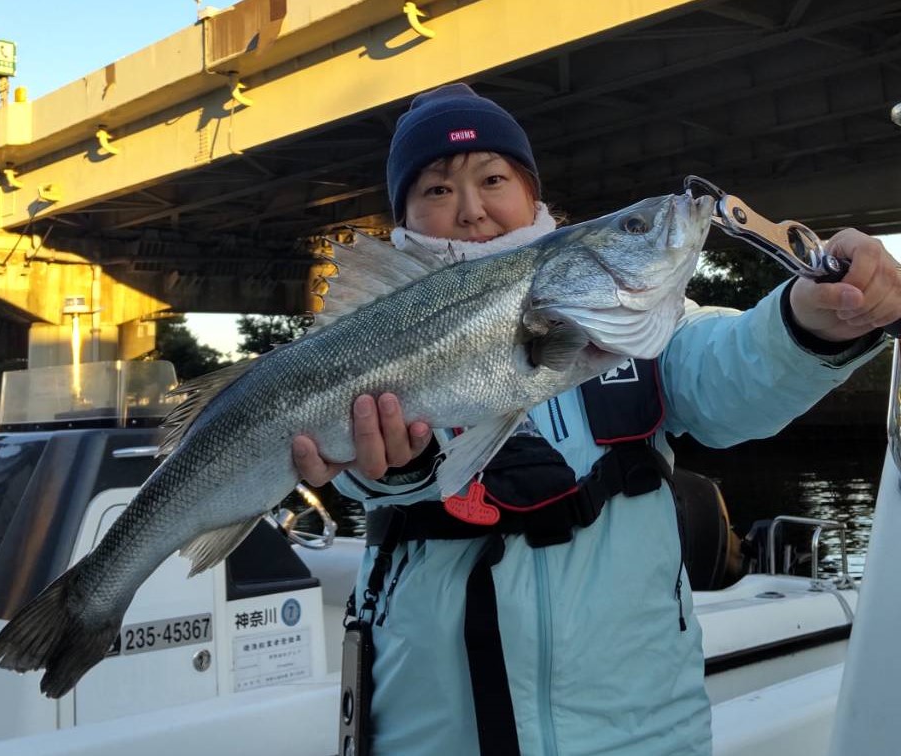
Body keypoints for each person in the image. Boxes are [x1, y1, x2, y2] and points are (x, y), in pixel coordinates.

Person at [292, 84, 901, 755]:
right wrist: (394, 469)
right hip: (433, 735)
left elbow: (732, 371)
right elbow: (351, 477)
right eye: (436, 191)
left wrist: (811, 319)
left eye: (493, 178)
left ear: (533, 196)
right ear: (404, 217)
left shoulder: (646, 330)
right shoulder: (372, 336)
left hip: (643, 736)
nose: (470, 210)